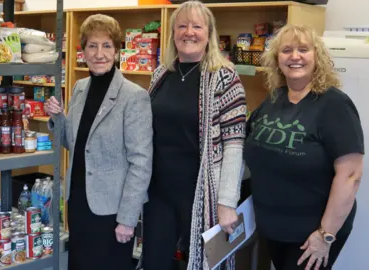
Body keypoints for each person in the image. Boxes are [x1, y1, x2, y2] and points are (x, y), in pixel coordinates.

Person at [244, 24, 364, 270]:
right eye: (286, 50)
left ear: (316, 56)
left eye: (303, 49)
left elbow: (350, 176)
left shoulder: (334, 105)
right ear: (277, 59)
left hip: (312, 234)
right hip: (273, 226)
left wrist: (325, 235)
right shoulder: (274, 99)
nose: (295, 56)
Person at [141, 1, 247, 269]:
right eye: (182, 26)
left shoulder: (225, 78)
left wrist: (226, 203)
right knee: (155, 262)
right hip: (158, 192)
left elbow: (234, 146)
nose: (189, 32)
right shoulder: (161, 74)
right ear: (173, 33)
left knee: (202, 264)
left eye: (197, 26)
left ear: (208, 33)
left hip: (202, 194)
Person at [44, 14, 153, 270]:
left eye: (106, 46)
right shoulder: (80, 88)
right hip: (79, 203)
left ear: (116, 51)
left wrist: (128, 219)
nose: (99, 54)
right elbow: (75, 143)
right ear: (83, 51)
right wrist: (57, 118)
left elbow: (141, 163)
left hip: (112, 212)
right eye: (92, 46)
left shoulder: (133, 97)